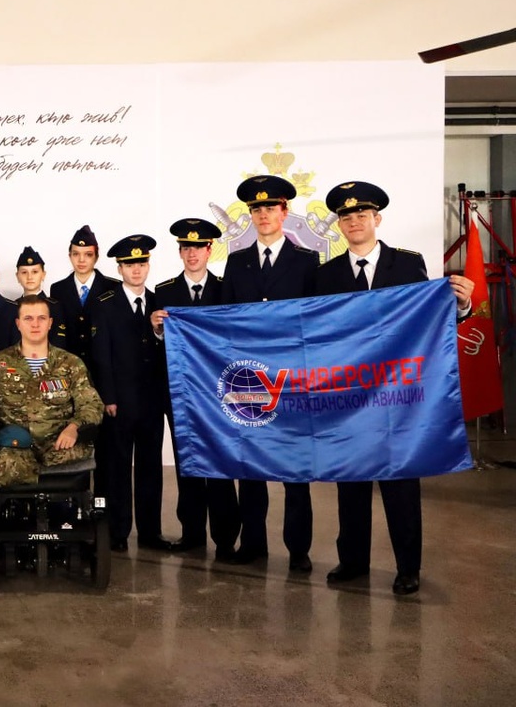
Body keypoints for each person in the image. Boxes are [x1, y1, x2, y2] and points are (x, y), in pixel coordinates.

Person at [316, 181, 473, 596]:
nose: (354, 222)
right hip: (348, 397)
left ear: (377, 219)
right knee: (350, 482)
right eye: (346, 217)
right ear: (339, 225)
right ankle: (353, 561)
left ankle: (407, 567)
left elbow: (432, 318)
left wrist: (461, 305)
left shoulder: (406, 264)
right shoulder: (325, 275)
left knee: (400, 483)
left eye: (361, 215)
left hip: (396, 395)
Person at [221, 174, 319, 571]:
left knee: (296, 472)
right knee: (251, 468)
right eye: (256, 209)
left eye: (270, 207)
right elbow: (225, 318)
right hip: (249, 379)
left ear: (285, 211)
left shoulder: (307, 261)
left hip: (292, 381)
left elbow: (316, 321)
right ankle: (253, 543)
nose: (263, 215)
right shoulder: (237, 261)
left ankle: (298, 550)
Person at [149, 218, 240, 560]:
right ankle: (191, 532)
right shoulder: (164, 291)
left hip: (219, 393)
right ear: (180, 252)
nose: (191, 254)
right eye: (185, 248)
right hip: (181, 393)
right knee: (187, 463)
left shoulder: (225, 289)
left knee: (220, 463)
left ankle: (226, 538)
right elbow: (156, 346)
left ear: (209, 250)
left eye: (198, 248)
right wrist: (157, 330)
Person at [91, 235, 173, 551]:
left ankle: (150, 533)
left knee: (151, 468)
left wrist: (157, 332)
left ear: (148, 265)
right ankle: (118, 532)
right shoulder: (105, 303)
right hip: (120, 401)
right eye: (129, 264)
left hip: (151, 400)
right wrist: (108, 397)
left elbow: (167, 352)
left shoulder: (159, 301)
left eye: (141, 263)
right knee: (118, 468)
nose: (136, 270)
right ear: (119, 268)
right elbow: (101, 355)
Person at [0, 294, 104, 488]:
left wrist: (74, 428)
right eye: (28, 318)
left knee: (75, 453)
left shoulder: (70, 363)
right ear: (18, 324)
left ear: (50, 323)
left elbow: (91, 404)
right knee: (9, 463)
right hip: (14, 445)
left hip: (59, 445)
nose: (35, 324)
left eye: (41, 318)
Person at [48, 226, 118, 367]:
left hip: (103, 365)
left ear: (96, 257)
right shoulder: (58, 289)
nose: (81, 260)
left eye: (88, 254)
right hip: (69, 366)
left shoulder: (113, 287)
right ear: (70, 256)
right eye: (76, 254)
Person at [14, 246, 67, 346]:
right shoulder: (12, 307)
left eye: (35, 272)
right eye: (24, 272)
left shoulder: (55, 307)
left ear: (43, 275)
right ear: (17, 276)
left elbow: (59, 344)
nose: (29, 277)